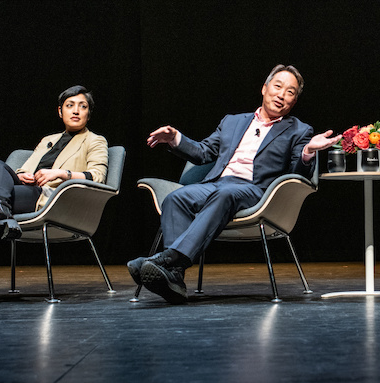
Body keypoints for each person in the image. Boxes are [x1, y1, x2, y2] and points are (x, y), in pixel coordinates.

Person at [127, 64, 340, 304]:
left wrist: (308, 152)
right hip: (217, 183)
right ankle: (174, 277)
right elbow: (203, 153)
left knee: (226, 194)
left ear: (294, 100)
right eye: (278, 87)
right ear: (264, 88)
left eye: (290, 92)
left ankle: (165, 261)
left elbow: (295, 174)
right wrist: (176, 139)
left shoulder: (299, 131)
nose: (281, 95)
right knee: (176, 198)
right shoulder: (232, 121)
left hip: (257, 191)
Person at [0, 85, 109, 306]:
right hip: (26, 189)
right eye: (70, 106)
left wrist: (61, 173)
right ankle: (0, 211)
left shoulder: (95, 141)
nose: (76, 111)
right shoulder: (48, 139)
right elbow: (24, 169)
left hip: (52, 198)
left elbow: (97, 177)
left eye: (83, 106)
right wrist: (23, 176)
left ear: (89, 113)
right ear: (60, 112)